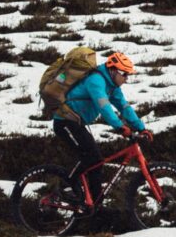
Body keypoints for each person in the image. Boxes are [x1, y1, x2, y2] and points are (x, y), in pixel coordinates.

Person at [51, 49, 148, 207]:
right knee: (91, 157)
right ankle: (65, 189)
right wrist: (119, 127)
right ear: (114, 70)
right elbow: (103, 106)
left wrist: (140, 127)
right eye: (124, 74)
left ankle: (95, 204)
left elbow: (124, 107)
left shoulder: (112, 87)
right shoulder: (95, 80)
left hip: (78, 122)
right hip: (65, 122)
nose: (126, 79)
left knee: (96, 161)